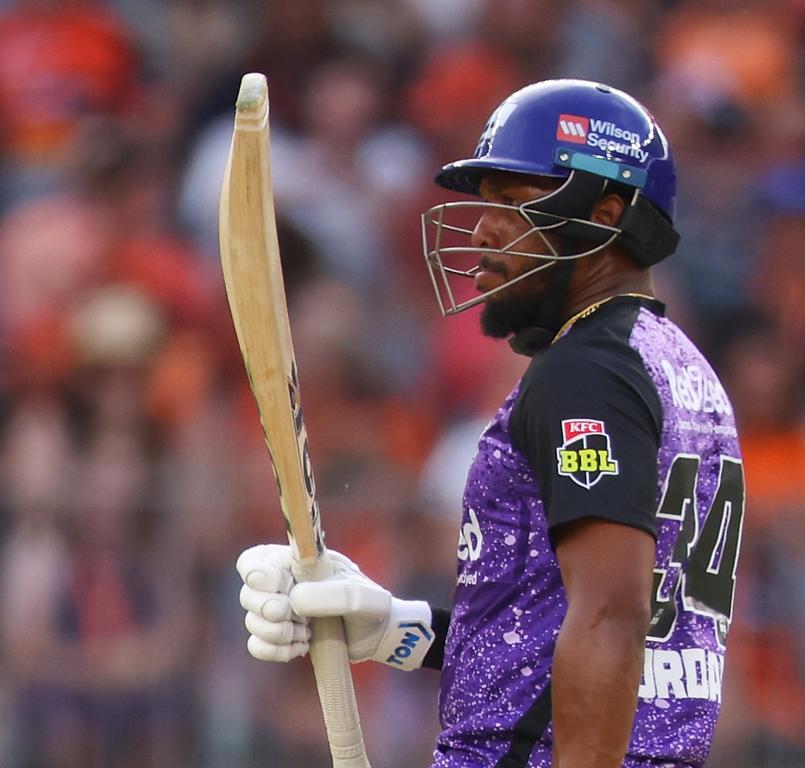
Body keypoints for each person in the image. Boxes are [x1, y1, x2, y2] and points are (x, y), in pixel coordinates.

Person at [236, 79, 746, 768]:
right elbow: (548, 633)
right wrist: (394, 627)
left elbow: (610, 618)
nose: (481, 230)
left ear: (604, 211)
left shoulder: (586, 371)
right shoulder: (678, 366)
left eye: (512, 203)